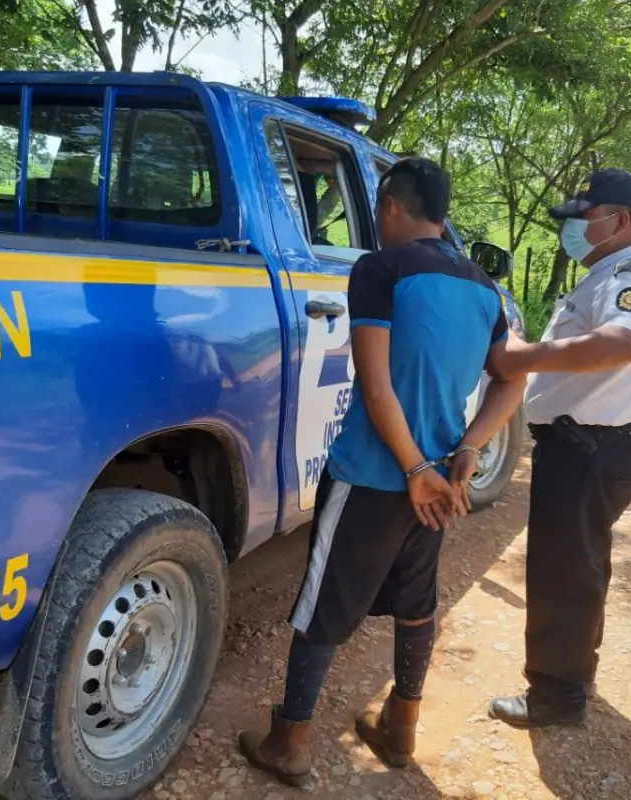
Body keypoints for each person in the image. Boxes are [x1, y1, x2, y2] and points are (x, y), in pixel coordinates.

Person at [238, 157, 526, 786]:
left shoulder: (380, 269)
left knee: (324, 609)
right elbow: (512, 381)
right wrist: (466, 452)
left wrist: (413, 465)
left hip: (374, 475)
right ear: (444, 213)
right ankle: (401, 729)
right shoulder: (484, 287)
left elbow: (375, 387)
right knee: (417, 601)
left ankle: (289, 743)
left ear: (391, 207)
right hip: (440, 485)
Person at [485, 168, 631, 728]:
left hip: (587, 450)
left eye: (582, 218)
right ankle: (573, 674)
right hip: (591, 448)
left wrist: (524, 357)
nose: (572, 228)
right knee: (580, 566)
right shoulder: (608, 272)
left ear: (618, 220)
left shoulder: (630, 275)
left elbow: (622, 341)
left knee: (563, 573)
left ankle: (558, 697)